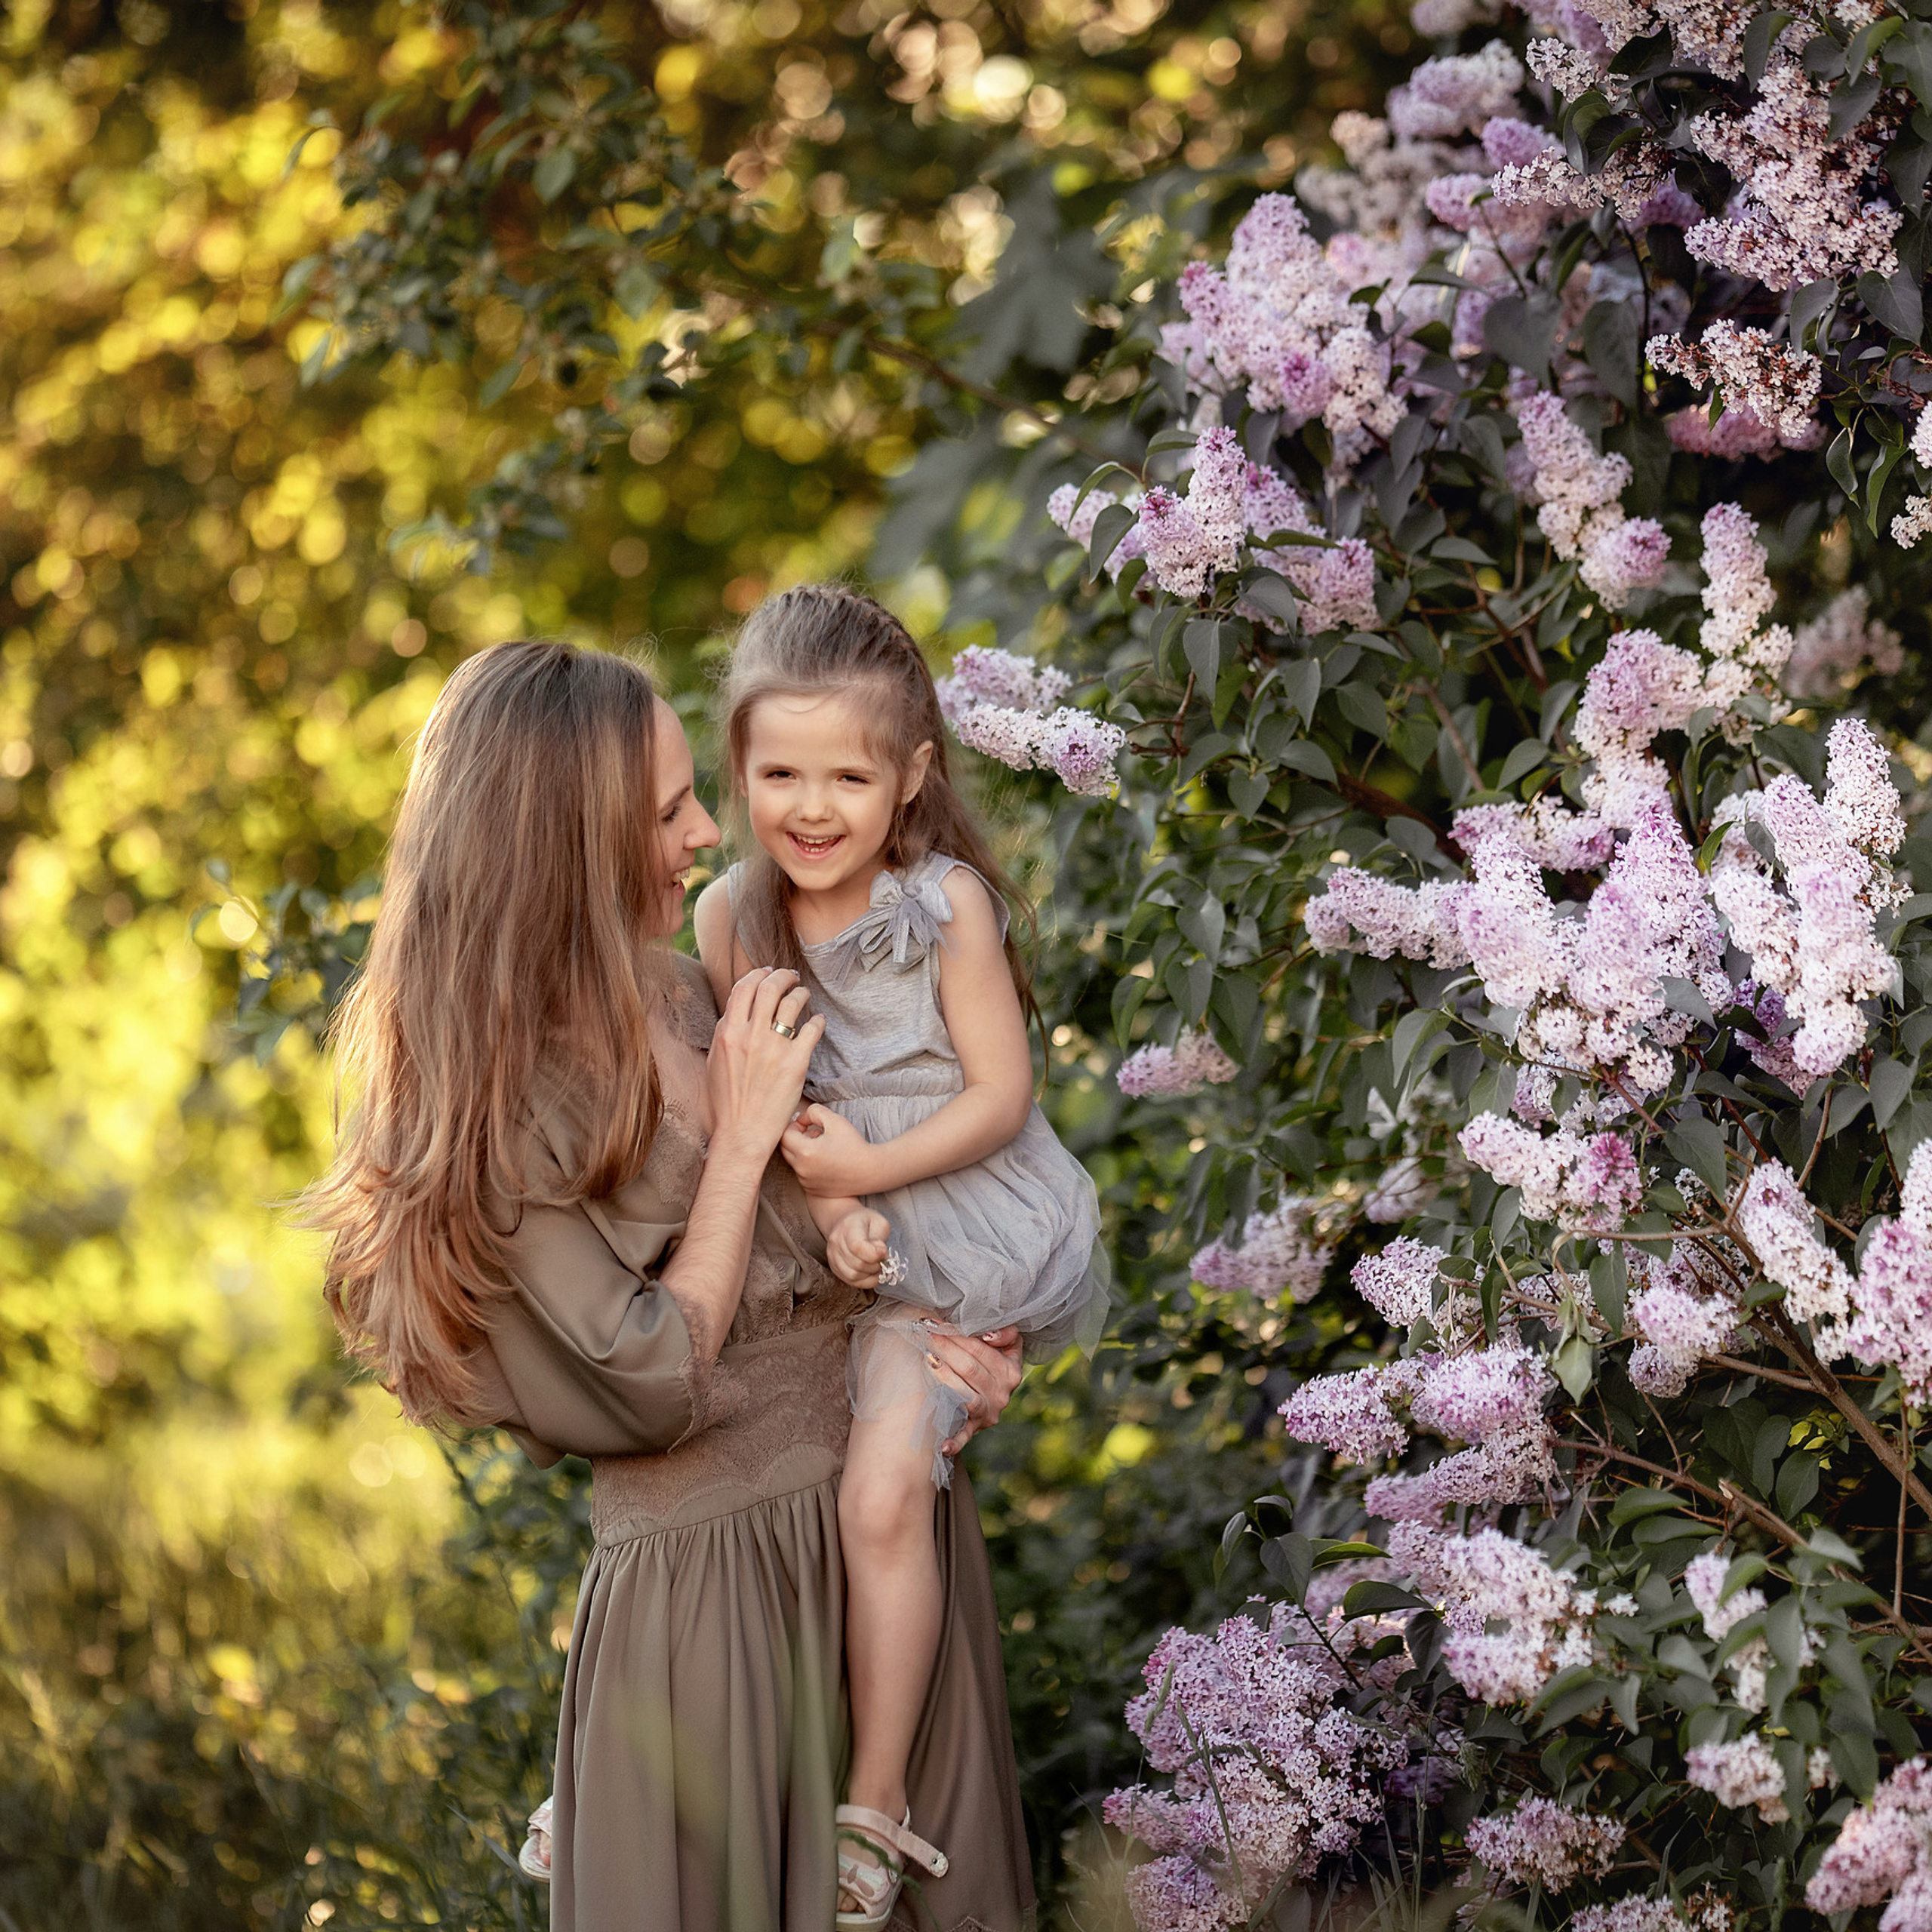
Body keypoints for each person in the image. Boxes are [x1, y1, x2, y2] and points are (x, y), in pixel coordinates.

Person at [302, 638, 1035, 1932]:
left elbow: (860, 1219)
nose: (709, 833)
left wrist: (958, 1350)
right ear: (560, 843)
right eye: (665, 812)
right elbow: (645, 1382)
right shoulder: (494, 1108)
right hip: (717, 1600)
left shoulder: (688, 990)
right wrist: (741, 1144)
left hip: (879, 1557)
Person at [694, 583, 1108, 1929]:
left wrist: (861, 1180)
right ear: (738, 766)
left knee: (880, 1500)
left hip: (970, 1223)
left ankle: (874, 1807)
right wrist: (834, 1217)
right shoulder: (730, 919)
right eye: (780, 774)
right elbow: (774, 1122)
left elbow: (1000, 1095)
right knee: (812, 1497)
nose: (812, 809)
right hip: (851, 1240)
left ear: (912, 776)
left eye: (850, 777)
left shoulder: (944, 905)